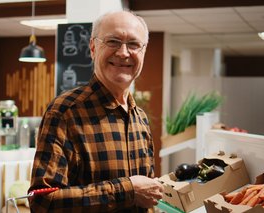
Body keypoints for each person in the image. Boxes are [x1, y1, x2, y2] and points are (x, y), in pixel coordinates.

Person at [29, 10, 164, 212]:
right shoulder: (65, 112)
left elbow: (144, 198)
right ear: (93, 47)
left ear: (143, 51)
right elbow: (42, 201)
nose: (123, 52)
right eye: (113, 41)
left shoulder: (140, 118)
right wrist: (127, 191)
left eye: (134, 44)